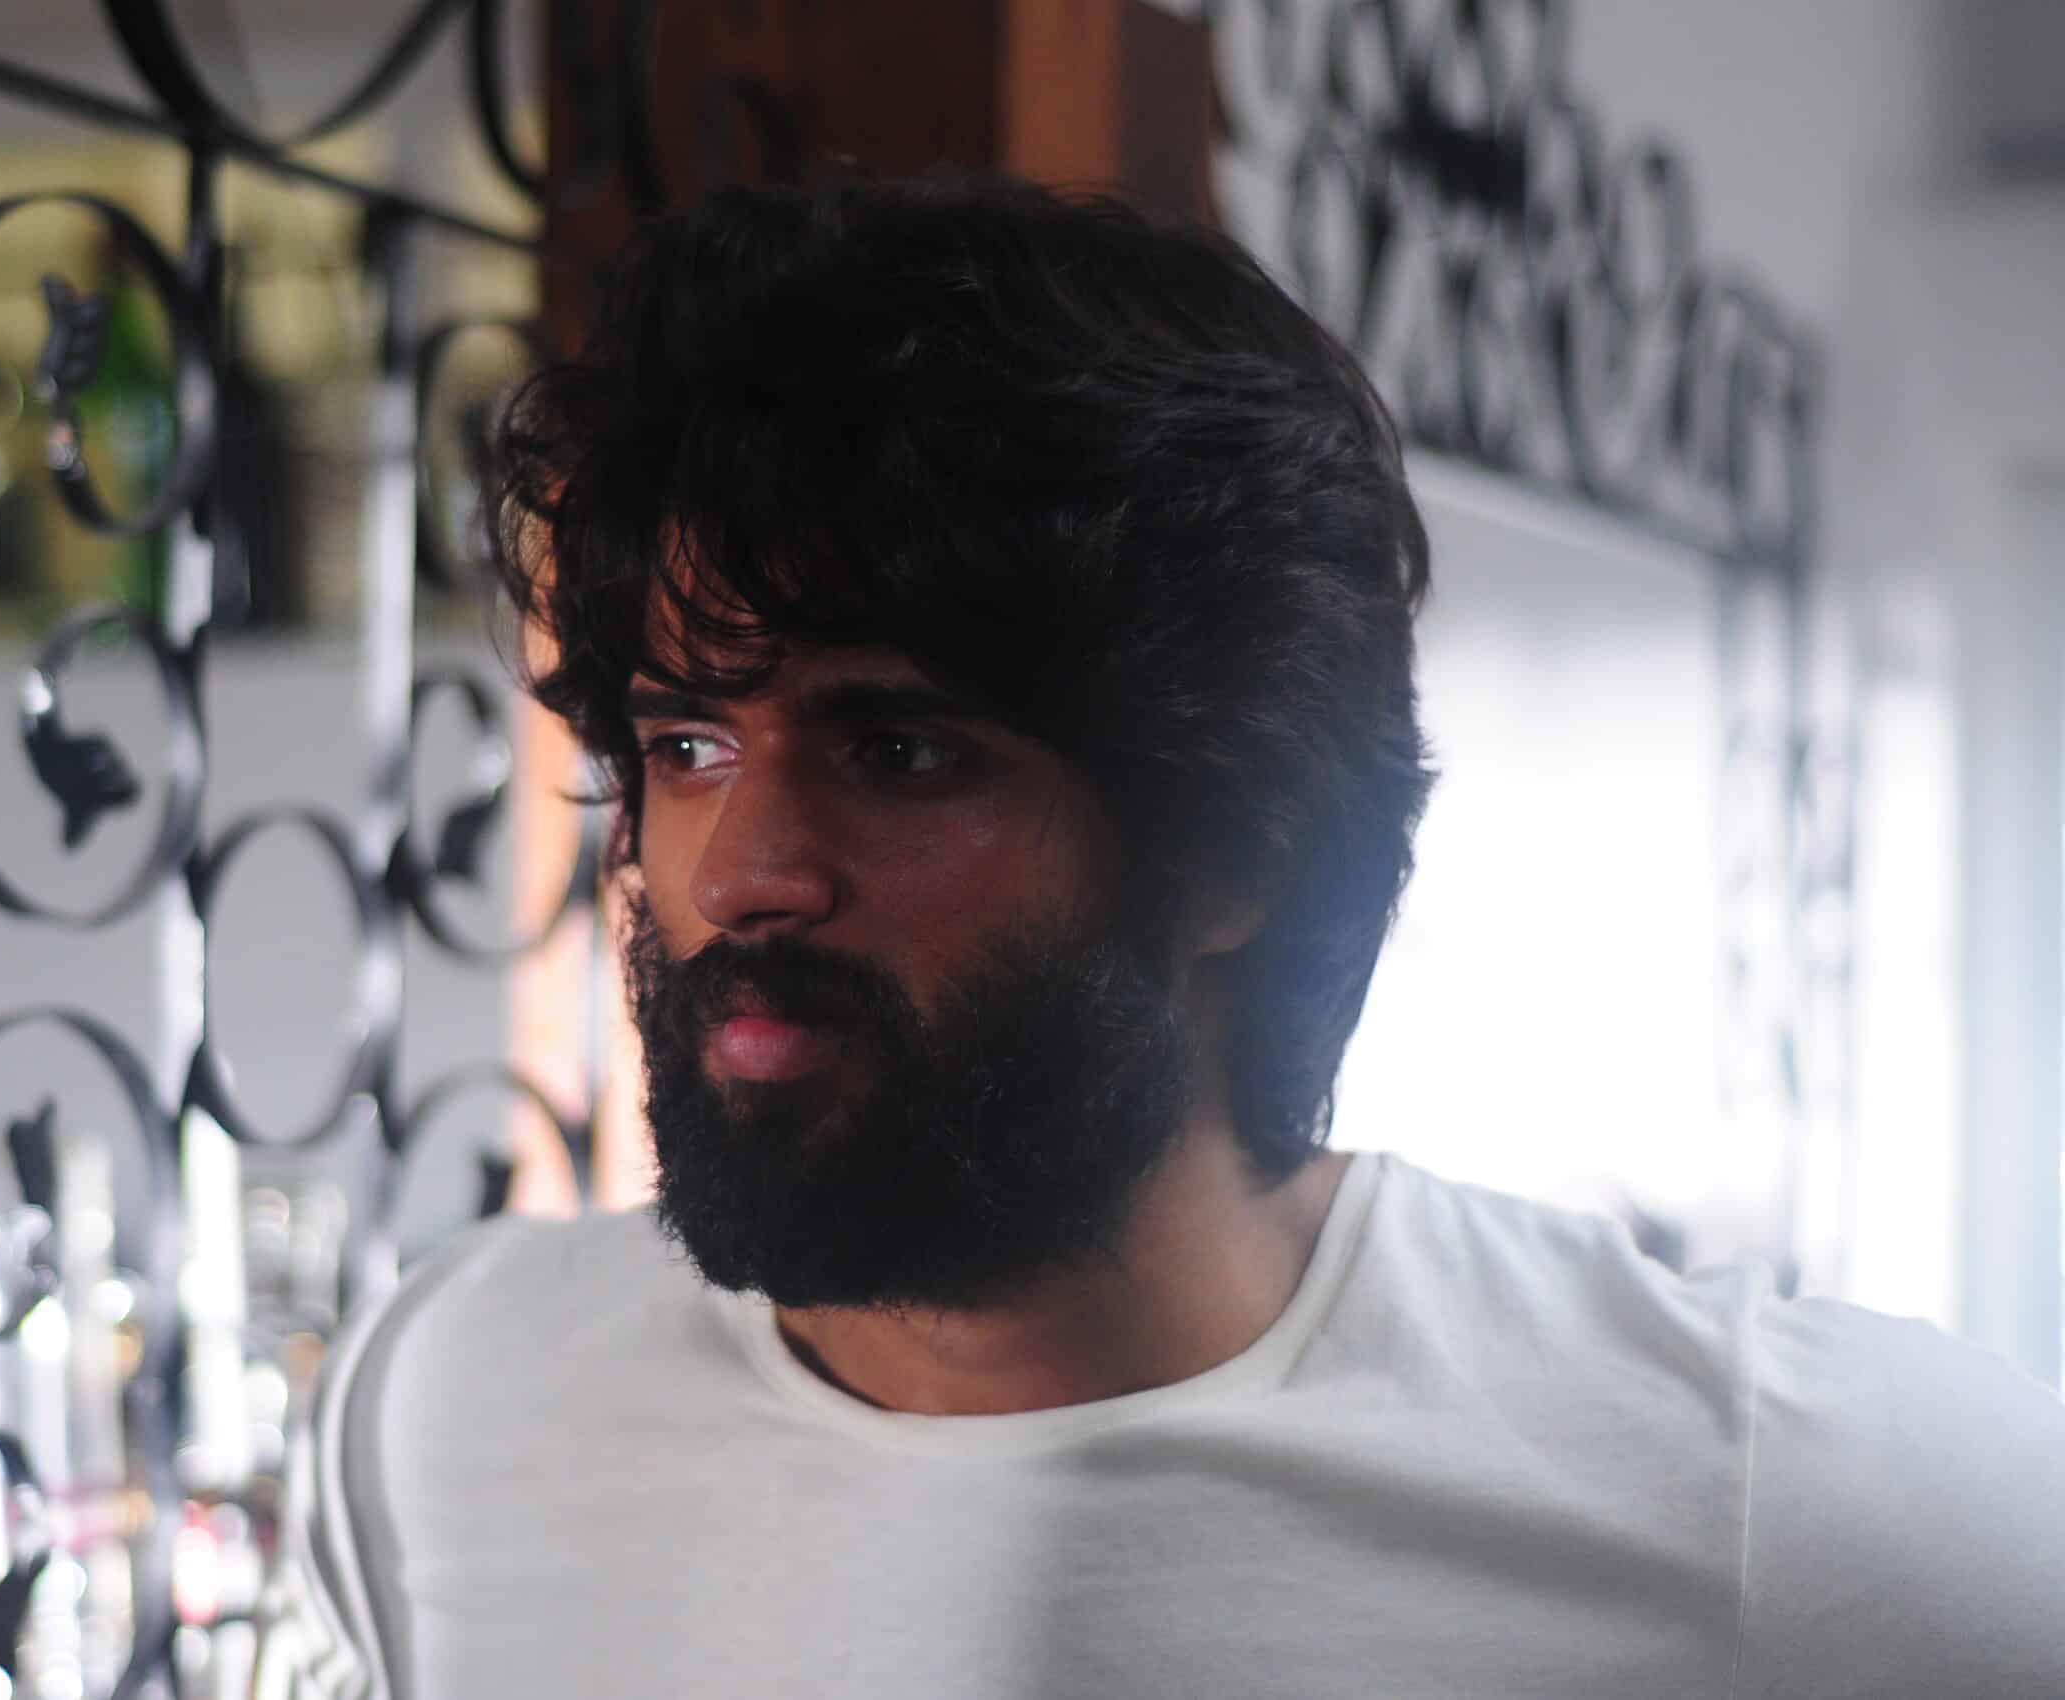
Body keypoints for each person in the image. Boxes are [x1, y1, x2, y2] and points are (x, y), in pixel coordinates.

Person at [267, 173, 2065, 1699]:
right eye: (686, 747)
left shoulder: (1769, 1497)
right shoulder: (451, 1407)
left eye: (900, 752)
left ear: (1233, 850)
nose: (740, 872)